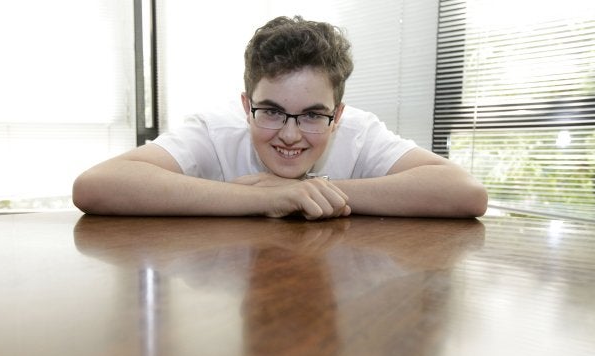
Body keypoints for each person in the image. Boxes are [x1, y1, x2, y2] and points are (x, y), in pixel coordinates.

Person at [72, 16, 488, 220]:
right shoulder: (215, 129)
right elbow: (96, 187)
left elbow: (465, 193)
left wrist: (309, 191)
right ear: (245, 106)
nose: (290, 135)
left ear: (337, 115)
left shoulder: (358, 131)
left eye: (313, 115)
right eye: (271, 111)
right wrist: (265, 197)